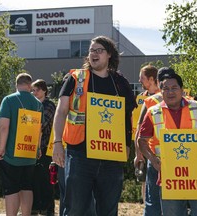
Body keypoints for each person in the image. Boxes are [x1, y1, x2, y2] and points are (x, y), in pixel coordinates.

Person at [52, 35, 136, 215]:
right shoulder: (75, 78)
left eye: (99, 50)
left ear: (109, 55)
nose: (94, 54)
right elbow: (61, 111)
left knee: (108, 210)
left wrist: (127, 146)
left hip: (111, 156)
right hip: (79, 154)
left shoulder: (120, 82)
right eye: (91, 50)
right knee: (75, 208)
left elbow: (127, 117)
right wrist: (57, 143)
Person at [138, 73, 197, 215]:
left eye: (174, 88)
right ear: (161, 92)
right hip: (169, 177)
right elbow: (142, 140)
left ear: (182, 90)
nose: (170, 92)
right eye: (165, 88)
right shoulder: (153, 112)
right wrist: (153, 160)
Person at [0, 73, 44, 216]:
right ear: (30, 85)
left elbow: (4, 127)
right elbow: (39, 130)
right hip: (29, 153)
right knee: (27, 187)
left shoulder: (9, 100)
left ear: (16, 84)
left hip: (12, 154)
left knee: (11, 189)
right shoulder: (38, 103)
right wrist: (38, 148)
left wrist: (2, 148)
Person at [134, 67, 175, 216]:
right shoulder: (187, 100)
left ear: (157, 81)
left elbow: (139, 132)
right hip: (180, 157)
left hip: (155, 158)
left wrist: (139, 155)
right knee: (177, 201)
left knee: (153, 203)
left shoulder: (150, 101)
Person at [134, 65, 159, 204]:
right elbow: (138, 128)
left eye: (142, 78)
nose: (139, 81)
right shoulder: (143, 98)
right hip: (147, 150)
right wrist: (138, 153)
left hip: (158, 151)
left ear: (151, 79)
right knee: (146, 186)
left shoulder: (161, 97)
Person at [31, 79, 56, 216]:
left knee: (46, 180)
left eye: (37, 90)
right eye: (33, 90)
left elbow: (41, 124)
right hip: (31, 147)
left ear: (44, 90)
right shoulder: (33, 105)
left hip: (45, 148)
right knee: (33, 179)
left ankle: (48, 210)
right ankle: (35, 207)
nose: (35, 92)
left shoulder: (49, 105)